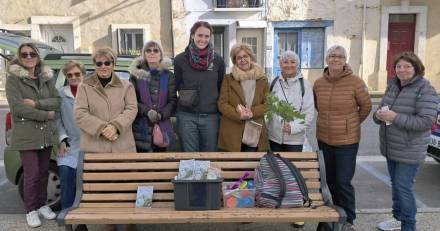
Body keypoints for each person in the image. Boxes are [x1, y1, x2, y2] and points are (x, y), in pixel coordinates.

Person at [75, 47, 138, 231]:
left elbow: (131, 109)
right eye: (99, 63)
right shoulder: (84, 86)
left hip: (122, 146)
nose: (103, 66)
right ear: (94, 65)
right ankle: (106, 225)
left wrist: (116, 126)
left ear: (113, 64)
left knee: (126, 189)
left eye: (107, 62)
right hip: (96, 148)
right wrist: (103, 128)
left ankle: (128, 225)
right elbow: (79, 113)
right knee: (102, 193)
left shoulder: (126, 86)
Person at [374, 52, 438, 231]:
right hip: (391, 147)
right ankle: (397, 218)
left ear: (416, 68)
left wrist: (395, 117)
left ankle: (408, 226)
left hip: (410, 149)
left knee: (403, 187)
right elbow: (381, 109)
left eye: (407, 66)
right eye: (399, 66)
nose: (402, 70)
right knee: (396, 185)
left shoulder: (425, 89)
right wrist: (378, 115)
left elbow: (426, 121)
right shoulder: (393, 86)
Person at [313, 45, 372, 231]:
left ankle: (349, 220)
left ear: (345, 60)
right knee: (330, 180)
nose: (336, 59)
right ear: (327, 59)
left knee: (343, 181)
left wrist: (351, 124)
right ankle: (337, 213)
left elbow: (366, 107)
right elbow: (317, 107)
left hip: (347, 141)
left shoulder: (355, 82)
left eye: (340, 56)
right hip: (324, 138)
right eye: (332, 56)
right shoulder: (319, 83)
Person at [5, 43, 60, 228]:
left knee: (44, 172)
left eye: (32, 54)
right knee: (32, 174)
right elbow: (18, 108)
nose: (29, 57)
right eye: (24, 54)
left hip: (45, 134)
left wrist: (36, 104)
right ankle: (31, 210)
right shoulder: (13, 80)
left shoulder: (46, 77)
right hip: (26, 135)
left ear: (38, 56)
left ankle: (43, 205)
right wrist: (46, 114)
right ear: (19, 57)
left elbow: (56, 101)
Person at [174, 21, 226, 152]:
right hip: (186, 116)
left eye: (206, 36)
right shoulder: (180, 59)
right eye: (200, 35)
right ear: (192, 35)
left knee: (210, 156)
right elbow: (177, 85)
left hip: (210, 117)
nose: (203, 39)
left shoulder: (218, 60)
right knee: (189, 157)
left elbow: (221, 87)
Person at [217, 43, 268, 152]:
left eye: (245, 56)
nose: (243, 60)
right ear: (235, 61)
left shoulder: (262, 80)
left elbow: (269, 104)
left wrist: (252, 112)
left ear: (251, 58)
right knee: (234, 166)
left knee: (249, 166)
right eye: (239, 57)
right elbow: (222, 104)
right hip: (232, 129)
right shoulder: (228, 79)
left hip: (254, 129)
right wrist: (239, 115)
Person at [129, 40, 177, 152]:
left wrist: (161, 115)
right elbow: (131, 100)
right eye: (148, 50)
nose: (152, 53)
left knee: (161, 164)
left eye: (156, 50)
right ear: (144, 54)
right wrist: (147, 111)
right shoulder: (136, 75)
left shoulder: (169, 76)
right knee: (143, 164)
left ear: (161, 54)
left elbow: (173, 101)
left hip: (163, 127)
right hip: (141, 128)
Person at [267, 50, 315, 153]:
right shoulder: (273, 83)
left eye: (292, 62)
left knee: (292, 168)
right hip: (273, 139)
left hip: (295, 141)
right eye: (285, 62)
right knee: (275, 168)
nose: (289, 65)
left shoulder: (305, 85)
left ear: (297, 64)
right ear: (280, 65)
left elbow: (308, 113)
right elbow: (268, 108)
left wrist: (293, 127)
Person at [56, 61, 85, 211]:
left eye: (77, 74)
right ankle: (67, 214)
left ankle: (83, 215)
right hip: (70, 144)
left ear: (83, 75)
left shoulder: (91, 92)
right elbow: (57, 119)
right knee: (67, 172)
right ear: (66, 77)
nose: (74, 77)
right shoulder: (60, 94)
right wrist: (62, 139)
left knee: (85, 179)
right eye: (70, 75)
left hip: (90, 144)